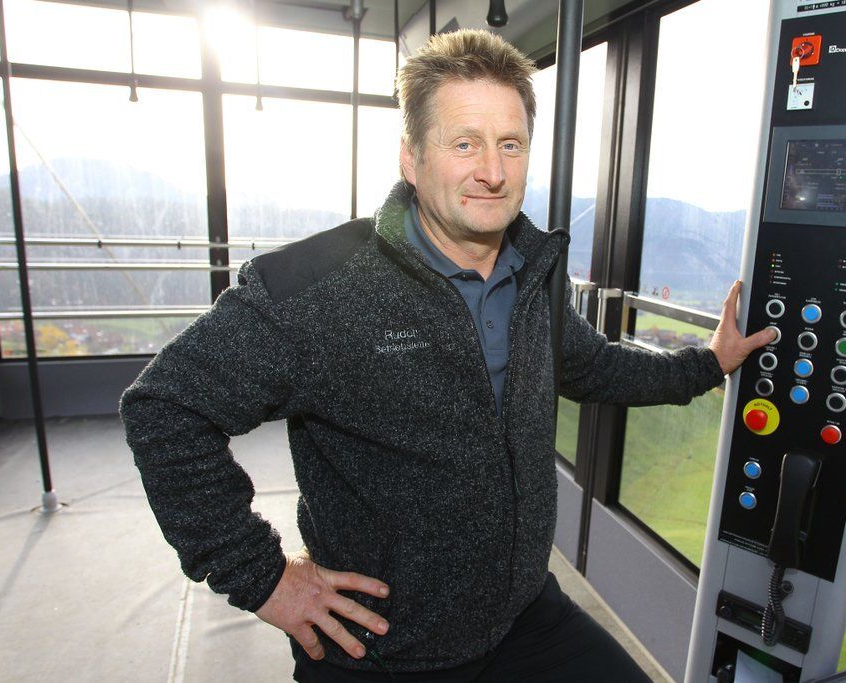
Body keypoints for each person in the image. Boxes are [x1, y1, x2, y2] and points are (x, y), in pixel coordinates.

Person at [120, 29, 774, 682]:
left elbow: (594, 366)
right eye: (464, 144)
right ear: (412, 158)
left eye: (510, 144)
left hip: (521, 614)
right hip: (385, 649)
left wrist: (706, 364)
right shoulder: (318, 288)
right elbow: (165, 407)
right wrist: (264, 578)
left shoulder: (533, 275)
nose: (493, 171)